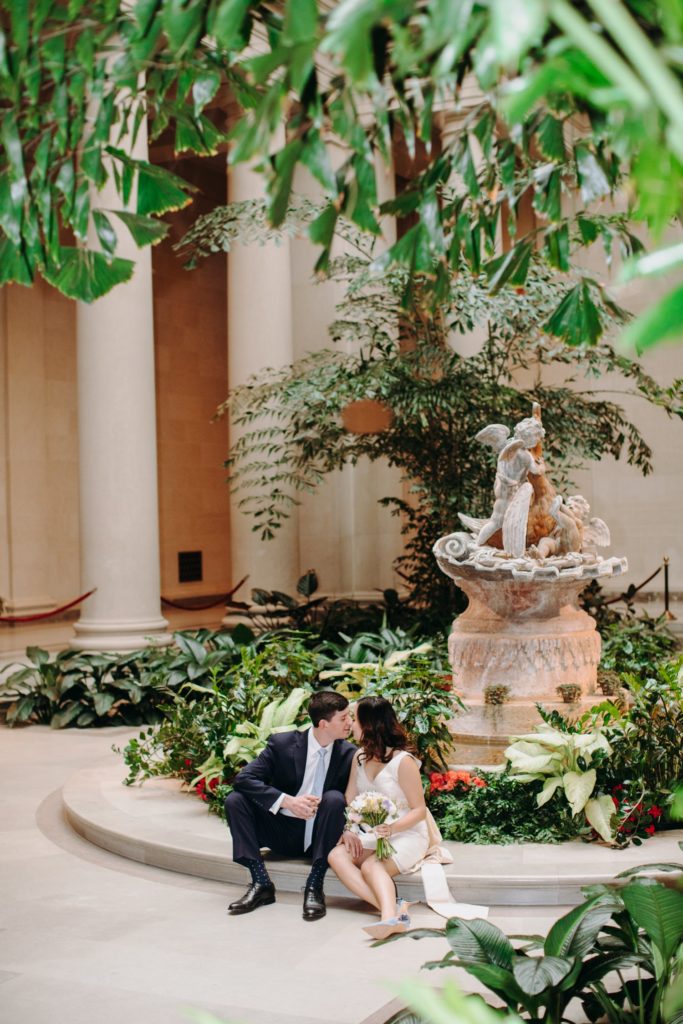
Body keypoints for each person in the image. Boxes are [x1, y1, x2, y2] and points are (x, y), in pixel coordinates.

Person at [224, 690, 355, 921]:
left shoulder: (349, 754)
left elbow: (354, 799)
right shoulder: (283, 744)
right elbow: (243, 779)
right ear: (324, 723)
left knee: (334, 798)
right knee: (235, 800)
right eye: (344, 718)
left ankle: (315, 885)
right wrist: (288, 802)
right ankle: (261, 882)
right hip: (282, 831)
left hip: (320, 837)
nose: (350, 722)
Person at [328, 696, 429, 940]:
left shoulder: (402, 762)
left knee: (371, 865)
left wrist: (391, 829)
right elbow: (350, 797)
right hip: (373, 832)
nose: (351, 723)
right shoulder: (359, 756)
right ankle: (394, 910)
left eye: (355, 718)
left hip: (406, 832)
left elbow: (419, 810)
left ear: (369, 725)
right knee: (337, 854)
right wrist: (349, 828)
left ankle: (387, 920)